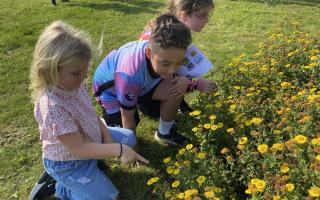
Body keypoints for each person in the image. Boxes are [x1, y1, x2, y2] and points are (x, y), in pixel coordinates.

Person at [28, 20, 148, 200]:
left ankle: (92, 167)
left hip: (91, 140)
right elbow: (79, 149)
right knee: (108, 197)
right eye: (77, 73)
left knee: (129, 138)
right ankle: (61, 187)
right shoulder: (52, 106)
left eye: (85, 71)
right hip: (70, 163)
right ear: (49, 69)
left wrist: (108, 139)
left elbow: (91, 115)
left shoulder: (75, 85)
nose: (84, 77)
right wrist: (118, 150)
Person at [93, 14, 192, 145]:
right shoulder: (129, 74)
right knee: (128, 125)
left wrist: (184, 79)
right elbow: (126, 116)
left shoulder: (166, 48)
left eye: (179, 62)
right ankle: (104, 124)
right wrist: (133, 150)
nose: (173, 70)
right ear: (149, 54)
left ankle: (165, 133)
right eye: (166, 64)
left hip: (138, 84)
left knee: (175, 89)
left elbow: (179, 72)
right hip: (111, 93)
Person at [139, 0, 217, 112]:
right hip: (148, 96)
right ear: (184, 15)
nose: (207, 20)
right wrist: (196, 84)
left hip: (157, 86)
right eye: (203, 15)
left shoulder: (171, 32)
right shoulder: (161, 39)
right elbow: (163, 74)